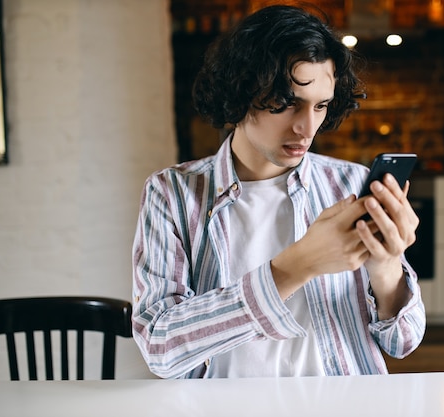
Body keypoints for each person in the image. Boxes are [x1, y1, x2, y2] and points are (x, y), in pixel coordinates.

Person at [132, 4, 425, 379]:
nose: (307, 128)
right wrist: (298, 265)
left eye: (320, 106)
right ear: (240, 94)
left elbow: (404, 342)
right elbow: (160, 349)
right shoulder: (171, 193)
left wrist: (385, 266)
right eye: (287, 104)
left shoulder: (351, 185)